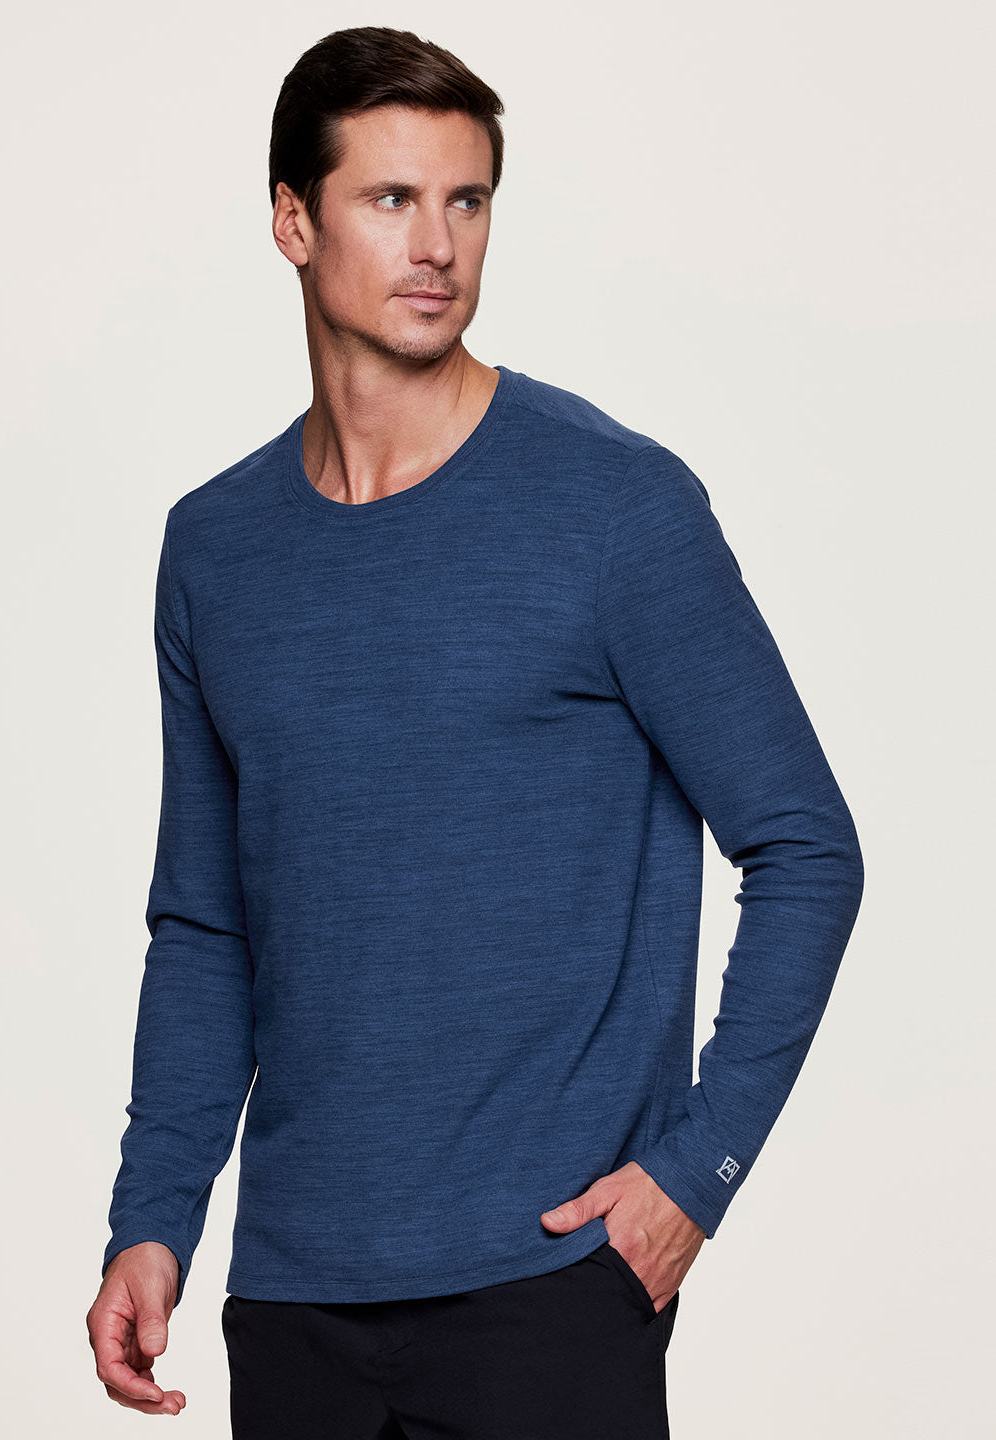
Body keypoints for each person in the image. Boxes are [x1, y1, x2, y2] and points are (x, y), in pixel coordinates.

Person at [86, 24, 865, 1438]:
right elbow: (206, 924)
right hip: (296, 1298)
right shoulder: (216, 549)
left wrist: (695, 1175)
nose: (438, 243)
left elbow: (806, 845)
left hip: (549, 1289)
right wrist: (154, 1216)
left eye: (468, 199)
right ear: (293, 222)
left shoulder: (614, 507)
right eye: (391, 199)